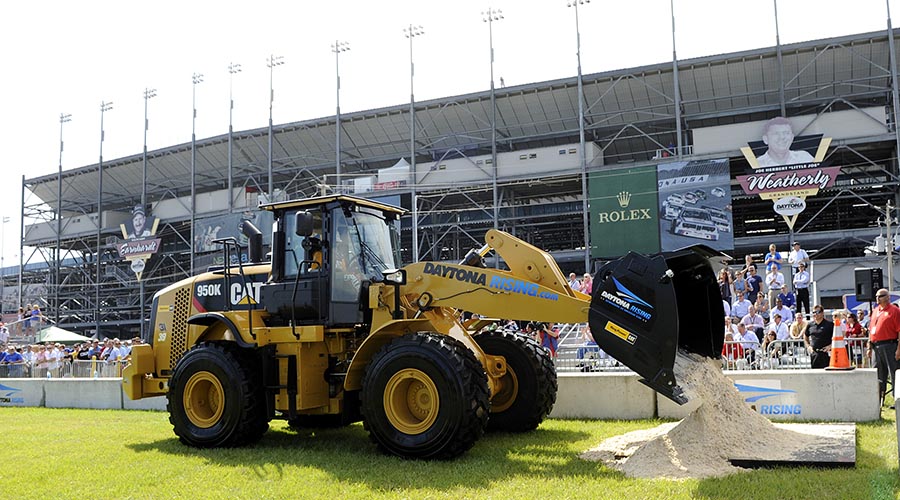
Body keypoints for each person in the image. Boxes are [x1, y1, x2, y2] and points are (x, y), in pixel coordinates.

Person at [867, 288, 900, 407]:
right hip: (876, 346)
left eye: (880, 296)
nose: (877, 298)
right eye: (876, 296)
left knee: (894, 373)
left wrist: (898, 349)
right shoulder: (875, 311)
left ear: (887, 297)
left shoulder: (894, 311)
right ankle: (879, 399)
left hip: (890, 345)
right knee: (878, 373)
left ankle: (897, 400)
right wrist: (869, 347)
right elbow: (871, 330)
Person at [804, 305, 834, 369]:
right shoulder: (810, 325)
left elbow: (836, 337)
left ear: (822, 313)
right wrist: (808, 346)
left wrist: (830, 346)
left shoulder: (830, 324)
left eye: (817, 312)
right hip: (814, 353)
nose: (815, 314)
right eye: (814, 312)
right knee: (815, 375)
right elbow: (805, 336)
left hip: (826, 354)